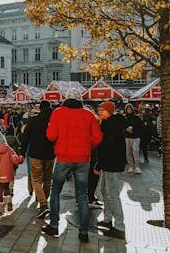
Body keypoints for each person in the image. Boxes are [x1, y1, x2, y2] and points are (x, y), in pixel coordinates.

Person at [42, 89, 103, 243]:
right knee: (82, 195)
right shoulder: (89, 115)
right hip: (83, 159)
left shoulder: (58, 112)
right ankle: (83, 232)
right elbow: (98, 137)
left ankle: (54, 225)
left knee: (55, 191)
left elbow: (50, 136)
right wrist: (87, 146)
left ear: (66, 99)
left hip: (63, 157)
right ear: (80, 100)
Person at [95, 101, 127, 239]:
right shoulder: (107, 123)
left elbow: (109, 149)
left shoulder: (112, 125)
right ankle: (107, 220)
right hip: (108, 164)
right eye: (99, 109)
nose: (100, 111)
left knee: (112, 194)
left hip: (113, 165)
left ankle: (119, 227)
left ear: (109, 111)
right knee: (104, 191)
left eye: (102, 109)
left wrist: (99, 164)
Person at [20, 101, 55, 219]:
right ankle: (43, 203)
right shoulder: (53, 120)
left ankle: (43, 204)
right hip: (50, 154)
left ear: (40, 108)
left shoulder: (33, 120)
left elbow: (25, 137)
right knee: (47, 179)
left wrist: (22, 152)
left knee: (36, 179)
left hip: (35, 153)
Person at [0, 133, 24, 214]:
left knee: (0, 189)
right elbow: (15, 160)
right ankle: (9, 204)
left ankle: (0, 206)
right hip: (8, 173)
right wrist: (21, 158)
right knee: (7, 188)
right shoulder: (9, 149)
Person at [124, 103, 142, 174]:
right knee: (128, 152)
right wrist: (126, 128)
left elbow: (140, 127)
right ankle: (130, 166)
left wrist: (133, 129)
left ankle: (137, 167)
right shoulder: (124, 118)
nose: (129, 110)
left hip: (136, 137)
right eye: (127, 109)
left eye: (130, 109)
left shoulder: (137, 118)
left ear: (132, 109)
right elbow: (122, 126)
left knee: (135, 151)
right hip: (127, 137)